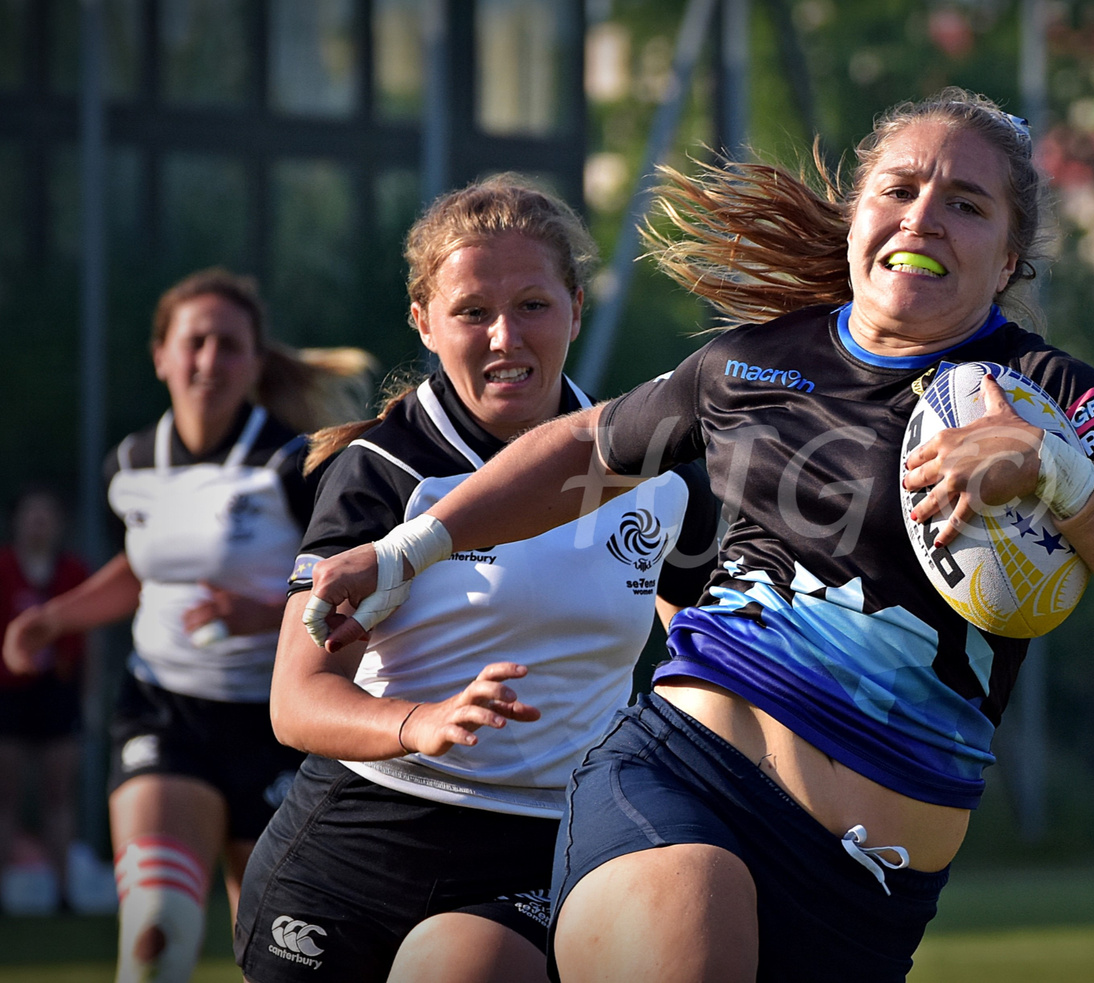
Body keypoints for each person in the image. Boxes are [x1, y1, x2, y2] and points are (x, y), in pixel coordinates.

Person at [303, 89, 1094, 983]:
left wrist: (1055, 468)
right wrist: (407, 549)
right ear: (858, 214)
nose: (924, 218)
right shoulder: (751, 361)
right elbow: (584, 451)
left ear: (1013, 253)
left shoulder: (1054, 395)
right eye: (899, 190)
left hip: (869, 885)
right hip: (684, 777)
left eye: (967, 203)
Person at [232, 175, 719, 983]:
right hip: (358, 848)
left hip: (542, 850)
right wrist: (418, 721)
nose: (504, 338)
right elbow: (296, 698)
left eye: (532, 305)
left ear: (575, 305)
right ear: (424, 322)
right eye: (471, 312)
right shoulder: (382, 474)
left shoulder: (657, 474)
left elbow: (706, 651)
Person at [2, 269, 371, 983]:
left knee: (278, 962)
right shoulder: (131, 463)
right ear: (161, 355)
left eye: (229, 345)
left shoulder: (296, 464)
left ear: (256, 362)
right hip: (163, 712)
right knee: (155, 938)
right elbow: (140, 570)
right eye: (194, 342)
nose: (209, 360)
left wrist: (263, 614)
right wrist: (52, 618)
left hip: (277, 723)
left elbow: (346, 593)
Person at [0, 487, 91, 911]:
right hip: (8, 695)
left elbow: (89, 642)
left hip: (57, 693)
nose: (38, 523)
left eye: (46, 515)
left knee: (58, 792)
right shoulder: (3, 568)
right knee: (7, 793)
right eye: (30, 514)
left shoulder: (73, 573)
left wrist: (86, 698)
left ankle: (63, 894)